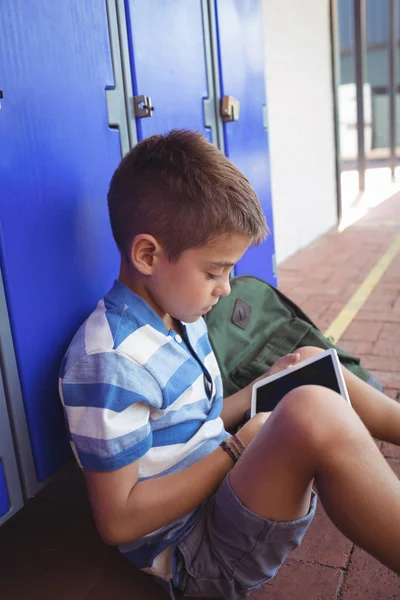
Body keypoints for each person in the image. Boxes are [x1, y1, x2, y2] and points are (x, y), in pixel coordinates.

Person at [59, 129, 400, 600]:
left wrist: (266, 382)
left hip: (221, 487)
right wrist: (237, 450)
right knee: (311, 413)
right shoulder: (109, 362)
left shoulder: (177, 311)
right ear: (147, 255)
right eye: (215, 271)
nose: (226, 287)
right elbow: (118, 520)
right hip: (198, 552)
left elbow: (195, 424)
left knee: (308, 363)